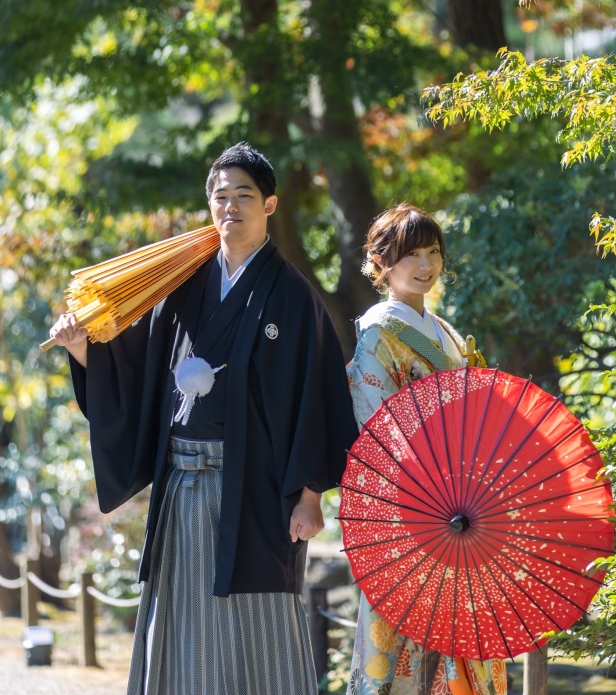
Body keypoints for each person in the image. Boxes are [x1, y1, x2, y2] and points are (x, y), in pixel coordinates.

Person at [50, 141, 358, 695]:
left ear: (270, 205)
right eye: (220, 196)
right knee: (180, 617)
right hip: (182, 488)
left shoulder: (292, 296)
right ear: (209, 205)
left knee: (259, 620)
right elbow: (142, 371)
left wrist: (311, 494)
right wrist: (84, 352)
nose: (230, 207)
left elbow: (317, 396)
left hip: (258, 493)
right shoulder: (183, 284)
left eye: (244, 195)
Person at [346, 203, 507, 695]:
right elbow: (381, 426)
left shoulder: (446, 332)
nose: (425, 264)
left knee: (465, 636)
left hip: (463, 501)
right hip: (410, 505)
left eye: (433, 252)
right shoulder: (379, 333)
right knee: (404, 640)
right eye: (410, 253)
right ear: (381, 263)